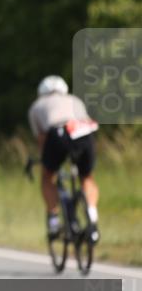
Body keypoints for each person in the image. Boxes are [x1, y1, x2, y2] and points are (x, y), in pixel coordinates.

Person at [28, 75, 100, 243]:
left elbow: (42, 139)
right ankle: (92, 214)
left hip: (58, 133)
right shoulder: (75, 100)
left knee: (47, 176)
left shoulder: (37, 106)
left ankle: (53, 220)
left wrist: (45, 160)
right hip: (84, 132)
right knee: (87, 177)